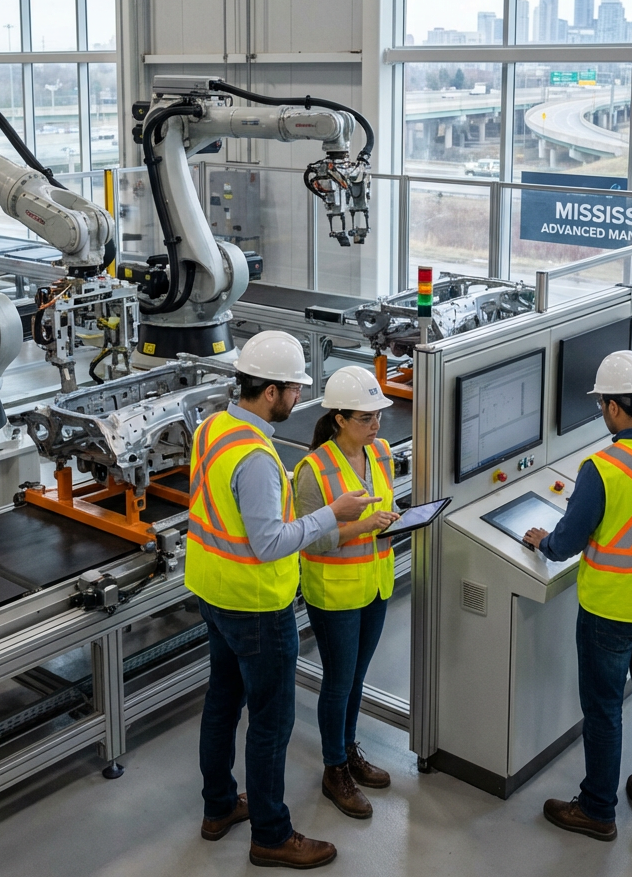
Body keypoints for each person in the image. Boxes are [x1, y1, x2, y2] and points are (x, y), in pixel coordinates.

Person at [186, 331, 381, 869]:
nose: (298, 400)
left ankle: (219, 807)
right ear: (270, 391)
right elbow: (270, 541)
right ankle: (272, 834)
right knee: (271, 723)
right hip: (255, 604)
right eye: (294, 389)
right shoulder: (256, 457)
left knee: (222, 704)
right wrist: (333, 514)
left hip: (213, 591)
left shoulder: (212, 428)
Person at [524, 351, 632, 841]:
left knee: (604, 710)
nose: (603, 411)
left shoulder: (601, 468)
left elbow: (565, 543)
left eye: (603, 403)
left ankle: (598, 810)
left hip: (610, 611)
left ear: (614, 409)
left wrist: (543, 539)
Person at [293, 366, 401, 820]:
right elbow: (310, 539)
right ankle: (334, 768)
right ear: (339, 419)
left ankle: (348, 749)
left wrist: (396, 522)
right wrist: (363, 527)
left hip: (375, 583)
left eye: (378, 416)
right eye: (365, 418)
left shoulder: (381, 454)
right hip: (334, 591)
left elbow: (387, 506)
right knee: (338, 682)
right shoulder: (312, 470)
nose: (376, 426)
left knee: (357, 678)